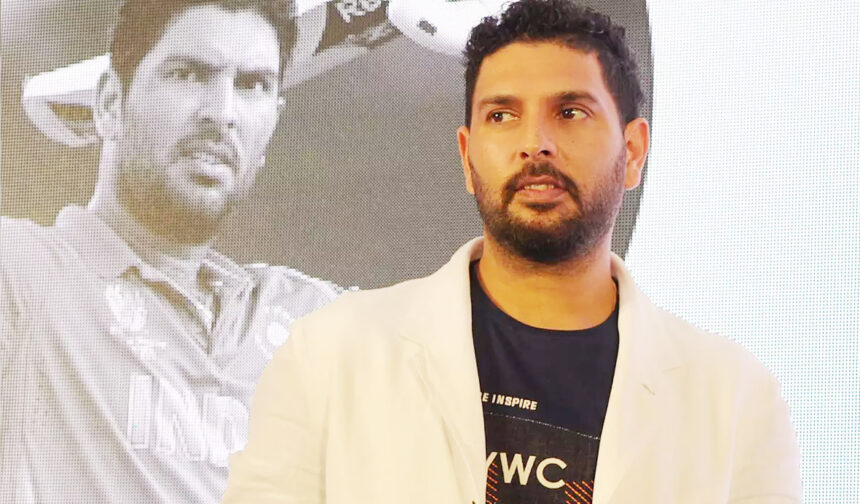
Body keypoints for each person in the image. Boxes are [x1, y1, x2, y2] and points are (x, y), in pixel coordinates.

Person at [223, 1, 802, 503]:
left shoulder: (735, 403)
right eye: (502, 115)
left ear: (632, 151)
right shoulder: (328, 356)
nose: (535, 144)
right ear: (467, 156)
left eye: (570, 112)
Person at [0, 1, 340, 502]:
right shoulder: (23, 273)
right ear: (110, 103)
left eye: (252, 85)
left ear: (272, 124)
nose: (222, 114)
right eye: (188, 74)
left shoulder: (312, 318)